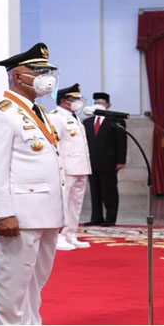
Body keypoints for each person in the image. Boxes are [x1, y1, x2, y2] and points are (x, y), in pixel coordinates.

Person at [0, 42, 65, 325]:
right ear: (17, 76)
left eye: (47, 71)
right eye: (38, 71)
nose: (45, 77)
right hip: (18, 214)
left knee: (35, 281)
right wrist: (2, 213)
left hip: (45, 211)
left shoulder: (39, 112)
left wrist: (59, 212)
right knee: (13, 282)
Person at [49, 83, 92, 251]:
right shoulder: (56, 117)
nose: (77, 102)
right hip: (66, 168)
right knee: (64, 204)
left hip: (80, 166)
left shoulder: (75, 117)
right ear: (63, 100)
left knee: (76, 203)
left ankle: (71, 234)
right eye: (74, 99)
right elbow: (55, 144)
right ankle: (59, 237)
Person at [82, 92, 127, 227]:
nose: (98, 105)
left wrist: (121, 160)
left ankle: (110, 218)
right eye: (95, 102)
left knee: (109, 191)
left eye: (101, 102)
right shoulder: (87, 122)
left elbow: (121, 142)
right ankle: (96, 217)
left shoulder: (116, 121)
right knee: (95, 192)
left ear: (108, 105)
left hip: (109, 162)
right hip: (92, 162)